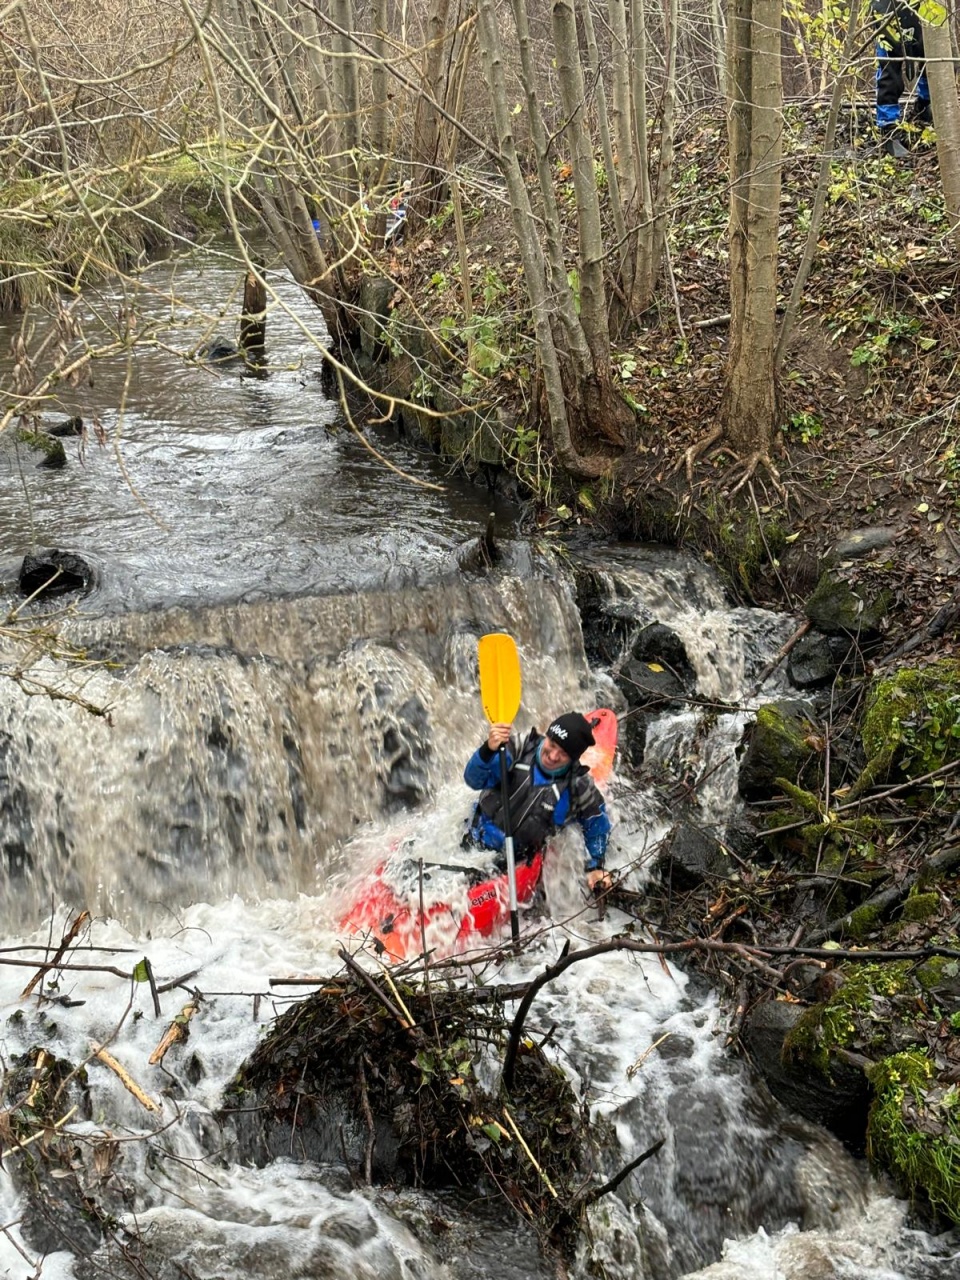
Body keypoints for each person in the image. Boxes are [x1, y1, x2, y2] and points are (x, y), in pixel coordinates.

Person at [463, 711, 612, 892]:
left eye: (564, 754)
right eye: (552, 744)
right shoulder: (519, 748)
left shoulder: (578, 786)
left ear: (573, 759)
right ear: (546, 736)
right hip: (475, 837)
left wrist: (595, 866)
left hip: (518, 860)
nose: (553, 756)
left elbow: (596, 824)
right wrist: (487, 750)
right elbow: (473, 780)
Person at [873, 0, 932, 158]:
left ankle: (925, 104)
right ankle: (888, 125)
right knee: (890, 65)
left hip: (921, 6)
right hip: (885, 7)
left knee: (929, 53)